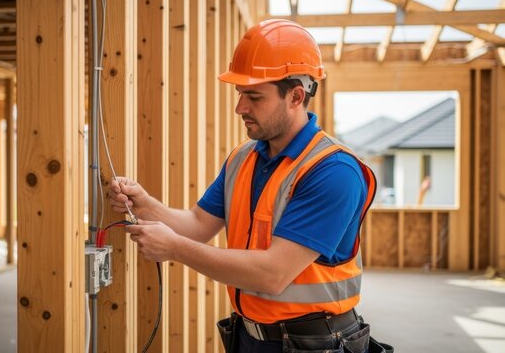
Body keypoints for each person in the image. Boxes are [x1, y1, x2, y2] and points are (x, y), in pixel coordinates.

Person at [109, 19, 392, 353]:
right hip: (249, 336)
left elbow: (272, 274)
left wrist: (174, 248)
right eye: (240, 94)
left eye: (254, 97)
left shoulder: (333, 171)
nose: (239, 108)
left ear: (296, 97)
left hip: (316, 344)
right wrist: (145, 204)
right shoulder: (243, 158)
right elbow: (198, 225)